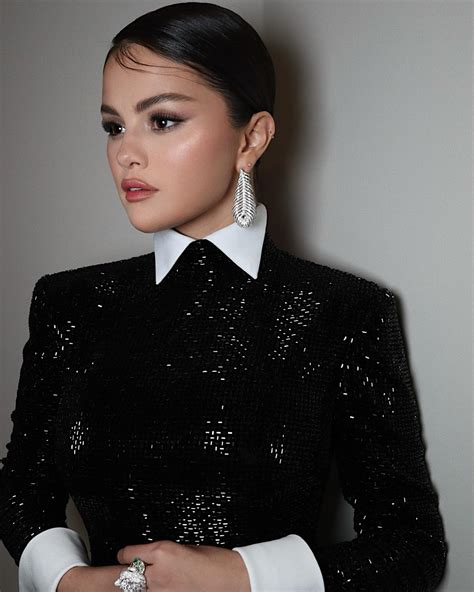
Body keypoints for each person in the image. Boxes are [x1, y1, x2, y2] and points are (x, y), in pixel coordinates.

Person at [0, 2, 448, 591]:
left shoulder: (343, 311)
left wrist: (243, 575)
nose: (125, 152)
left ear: (252, 137)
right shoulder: (71, 303)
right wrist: (68, 579)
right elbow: (22, 488)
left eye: (162, 120)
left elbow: (411, 546)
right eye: (113, 126)